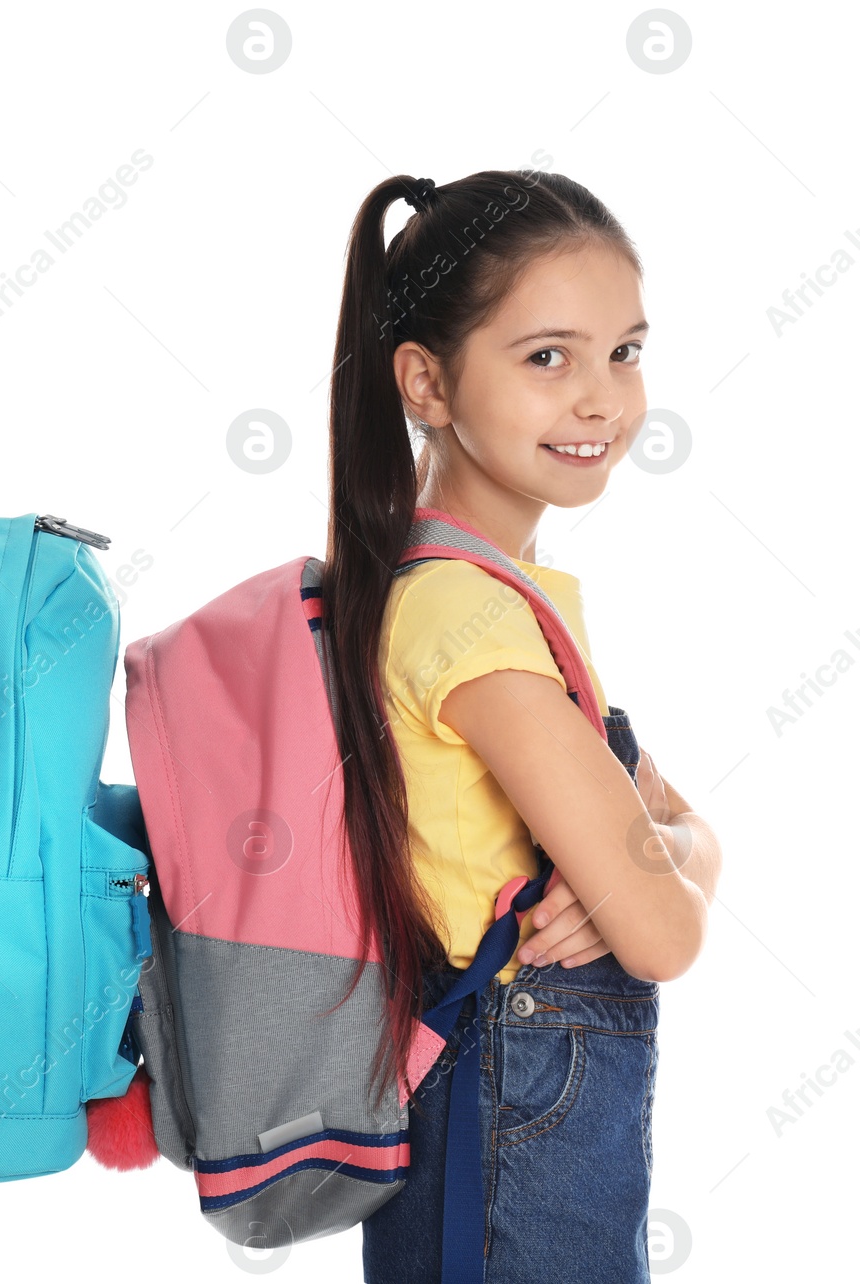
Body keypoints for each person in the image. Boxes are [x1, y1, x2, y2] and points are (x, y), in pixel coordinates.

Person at [312, 171, 722, 1282]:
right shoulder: (469, 619)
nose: (601, 399)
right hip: (508, 1119)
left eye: (623, 352)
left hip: (507, 1112)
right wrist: (655, 868)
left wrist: (656, 862)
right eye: (547, 358)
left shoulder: (484, 591)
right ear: (427, 383)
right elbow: (669, 930)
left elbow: (675, 843)